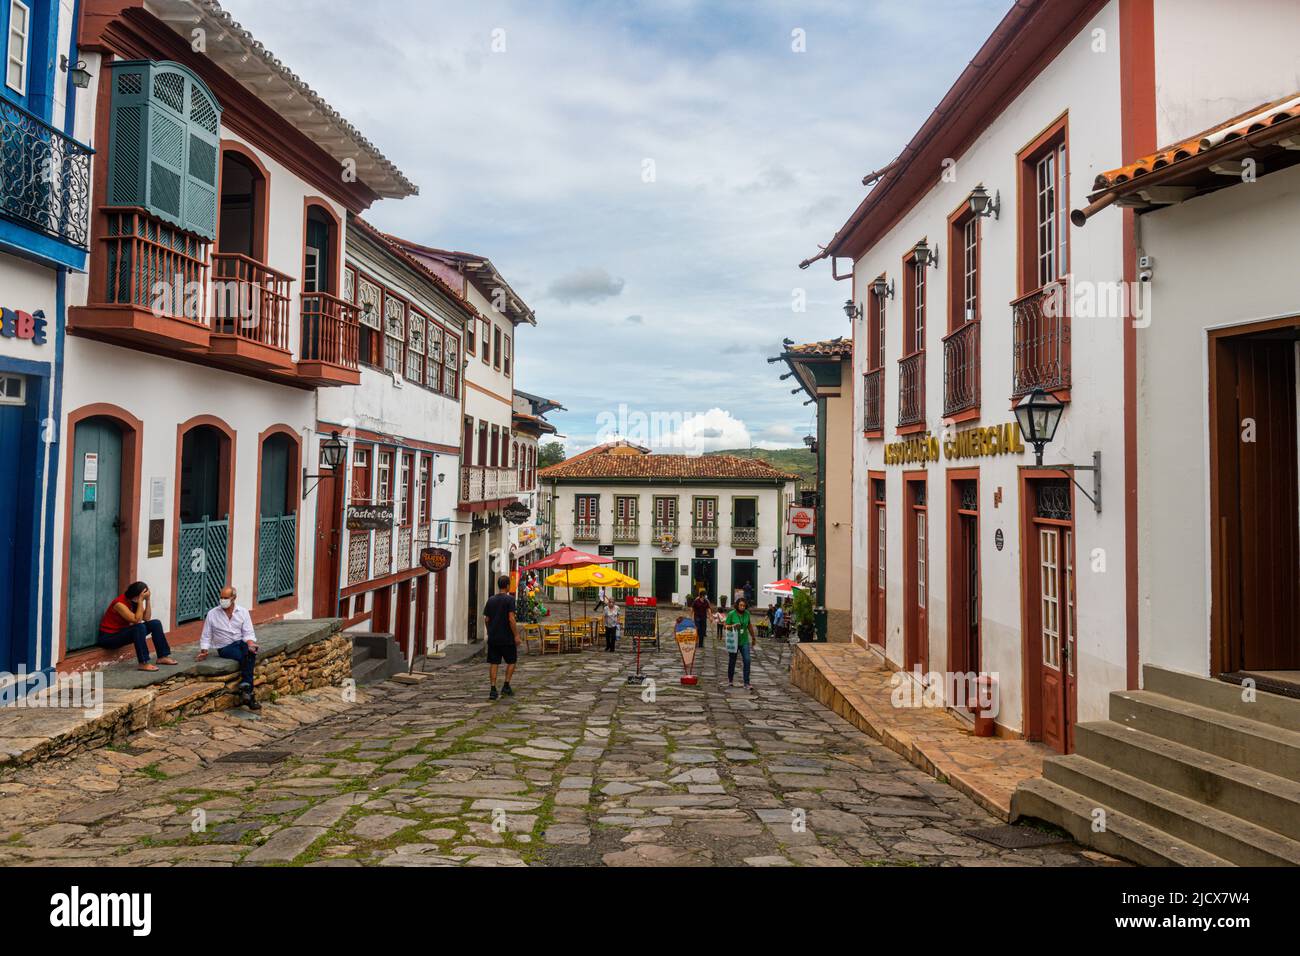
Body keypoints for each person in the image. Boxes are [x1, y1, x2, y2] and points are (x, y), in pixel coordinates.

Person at [197, 585, 261, 710]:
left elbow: (248, 633)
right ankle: (249, 693)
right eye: (221, 597)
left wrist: (251, 644)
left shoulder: (243, 612)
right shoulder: (212, 614)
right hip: (225, 647)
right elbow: (206, 634)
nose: (222, 600)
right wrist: (204, 651)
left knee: (249, 650)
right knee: (248, 655)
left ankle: (246, 689)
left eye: (226, 597)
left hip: (241, 643)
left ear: (234, 598)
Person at [98, 582, 177, 672]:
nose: (143, 598)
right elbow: (136, 620)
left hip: (122, 632)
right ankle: (143, 663)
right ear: (136, 595)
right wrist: (140, 601)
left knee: (155, 623)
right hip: (109, 638)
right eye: (142, 596)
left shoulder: (134, 602)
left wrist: (147, 600)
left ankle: (162, 656)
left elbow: (146, 618)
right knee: (139, 627)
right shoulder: (119, 604)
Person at [483, 574, 520, 700]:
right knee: (512, 661)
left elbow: (487, 619)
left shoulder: (491, 600)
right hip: (507, 637)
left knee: (494, 662)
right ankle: (506, 685)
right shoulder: (509, 600)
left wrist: (489, 632)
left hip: (494, 638)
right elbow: (511, 619)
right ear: (508, 586)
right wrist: (516, 635)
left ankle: (493, 689)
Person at [723, 597, 758, 692]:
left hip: (744, 641)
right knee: (732, 661)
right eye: (740, 605)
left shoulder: (747, 614)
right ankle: (730, 679)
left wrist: (753, 637)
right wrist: (733, 626)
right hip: (734, 642)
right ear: (737, 605)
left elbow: (749, 625)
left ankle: (746, 682)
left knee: (747, 660)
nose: (742, 607)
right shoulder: (731, 614)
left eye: (744, 605)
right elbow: (725, 626)